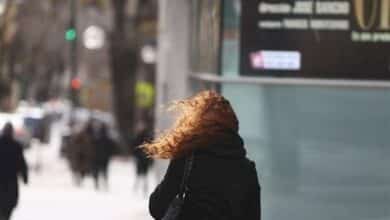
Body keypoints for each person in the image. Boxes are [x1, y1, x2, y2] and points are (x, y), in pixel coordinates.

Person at [143, 91, 261, 220]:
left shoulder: (187, 160)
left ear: (196, 124)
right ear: (233, 126)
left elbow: (157, 208)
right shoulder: (247, 170)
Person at [0, 123, 29, 220]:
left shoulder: (16, 146)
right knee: (8, 207)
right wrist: (25, 178)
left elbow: (22, 163)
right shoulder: (16, 146)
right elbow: (22, 164)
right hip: (11, 182)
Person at [91, 123, 117, 190]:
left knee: (98, 171)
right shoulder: (106, 138)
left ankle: (98, 183)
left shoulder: (96, 138)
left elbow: (93, 147)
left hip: (98, 157)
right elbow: (112, 147)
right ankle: (103, 183)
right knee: (104, 171)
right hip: (104, 158)